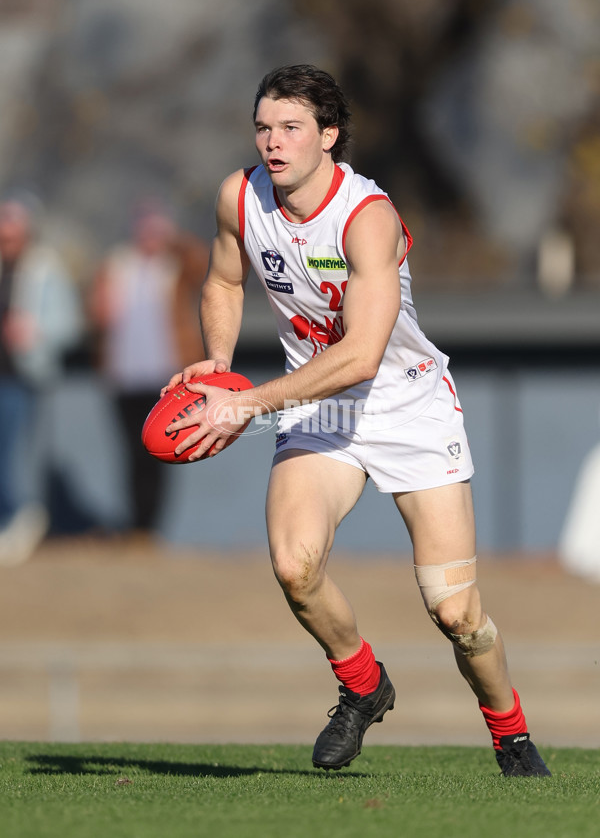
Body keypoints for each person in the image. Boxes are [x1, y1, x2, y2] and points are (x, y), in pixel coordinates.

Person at [163, 64, 551, 777]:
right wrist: (217, 365)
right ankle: (363, 685)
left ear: (330, 136)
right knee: (293, 563)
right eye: (263, 127)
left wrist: (246, 402)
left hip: (406, 404)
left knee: (456, 612)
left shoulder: (366, 217)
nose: (272, 143)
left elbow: (362, 354)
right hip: (322, 406)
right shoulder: (239, 197)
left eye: (290, 128)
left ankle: (511, 732)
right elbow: (222, 278)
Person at [89, 203, 207, 539]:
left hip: (165, 377)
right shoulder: (116, 265)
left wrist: (174, 240)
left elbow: (201, 262)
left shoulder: (175, 267)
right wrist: (99, 310)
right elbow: (95, 312)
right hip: (124, 375)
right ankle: (136, 524)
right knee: (130, 451)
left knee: (164, 451)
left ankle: (152, 526)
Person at [0, 194, 83, 565]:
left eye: (12, 230)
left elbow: (70, 324)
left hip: (27, 376)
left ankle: (23, 516)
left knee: (20, 454)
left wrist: (34, 332)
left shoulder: (45, 269)